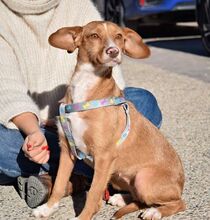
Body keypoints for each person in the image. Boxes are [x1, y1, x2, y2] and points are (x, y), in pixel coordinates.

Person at [0, 0, 162, 209]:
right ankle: (93, 175)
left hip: (94, 116)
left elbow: (114, 86)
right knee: (3, 145)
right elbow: (7, 90)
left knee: (142, 101)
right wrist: (33, 132)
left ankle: (69, 177)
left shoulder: (77, 4)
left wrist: (84, 119)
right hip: (40, 127)